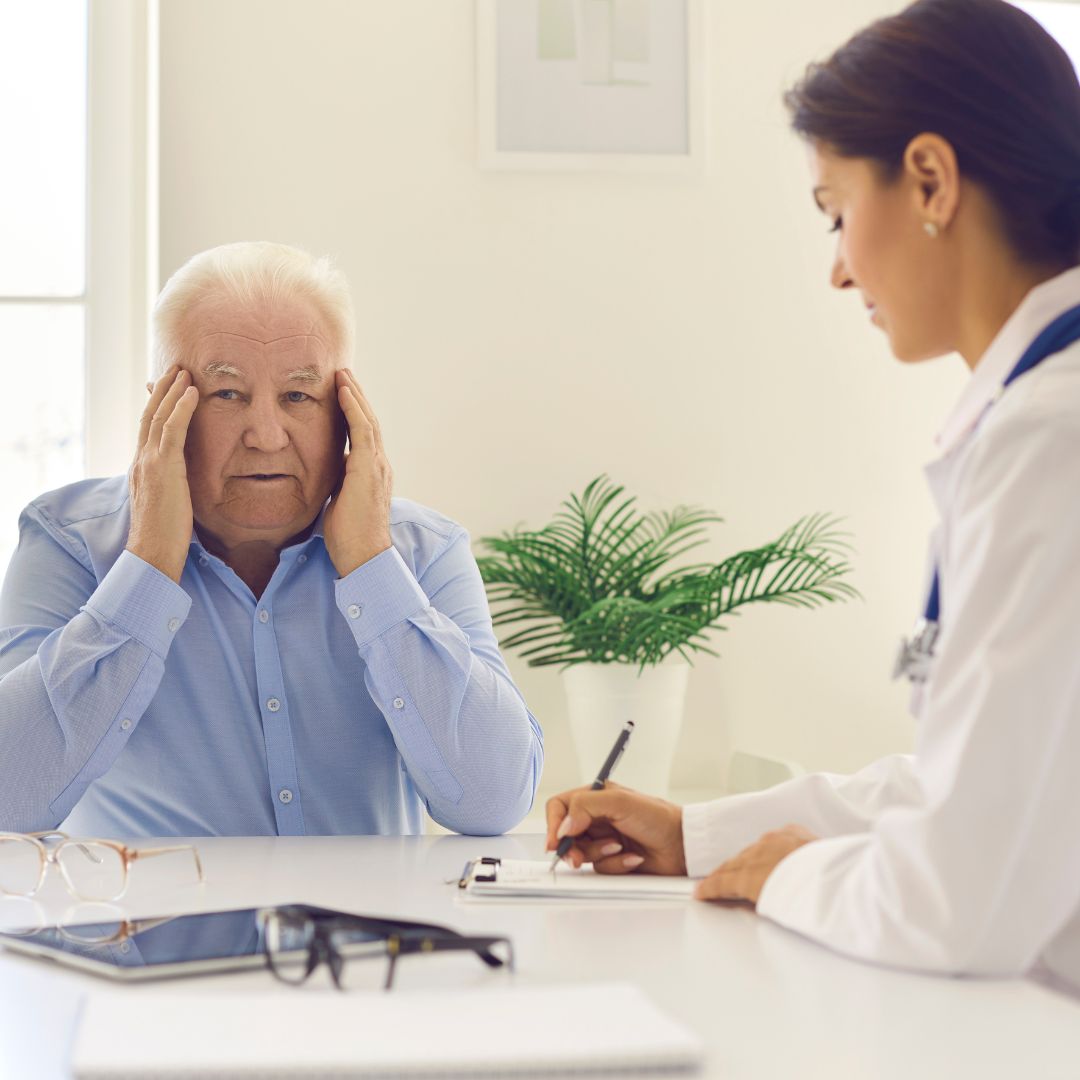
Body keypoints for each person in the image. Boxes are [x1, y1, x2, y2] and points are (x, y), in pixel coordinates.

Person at [547, 0, 1080, 986]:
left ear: (930, 178)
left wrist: (786, 875)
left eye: (837, 213)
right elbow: (973, 781)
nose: (838, 269)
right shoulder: (1032, 423)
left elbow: (954, 902)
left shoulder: (1051, 439)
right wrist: (700, 835)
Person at [0, 241, 543, 838]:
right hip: (153, 905)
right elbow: (9, 802)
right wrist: (148, 565)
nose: (266, 435)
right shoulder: (69, 542)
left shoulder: (424, 552)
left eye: (298, 396)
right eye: (227, 394)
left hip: (364, 907)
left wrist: (372, 566)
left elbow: (493, 802)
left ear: (346, 413)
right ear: (162, 412)